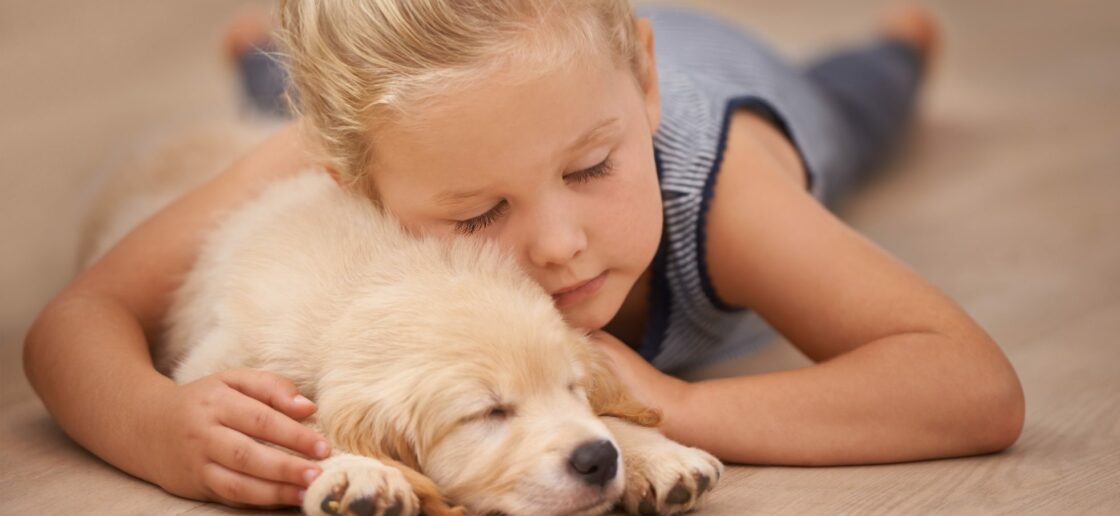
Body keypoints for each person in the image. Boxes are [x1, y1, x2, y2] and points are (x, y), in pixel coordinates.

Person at [24, 0, 1025, 510]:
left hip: (734, 76)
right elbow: (74, 324)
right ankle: (263, 53)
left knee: (859, 102)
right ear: (353, 180)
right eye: (477, 211)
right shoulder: (331, 155)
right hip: (509, 77)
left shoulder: (713, 189)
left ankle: (900, 40)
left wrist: (677, 407)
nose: (557, 243)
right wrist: (162, 430)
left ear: (639, 87)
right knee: (276, 101)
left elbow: (970, 388)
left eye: (591, 170)